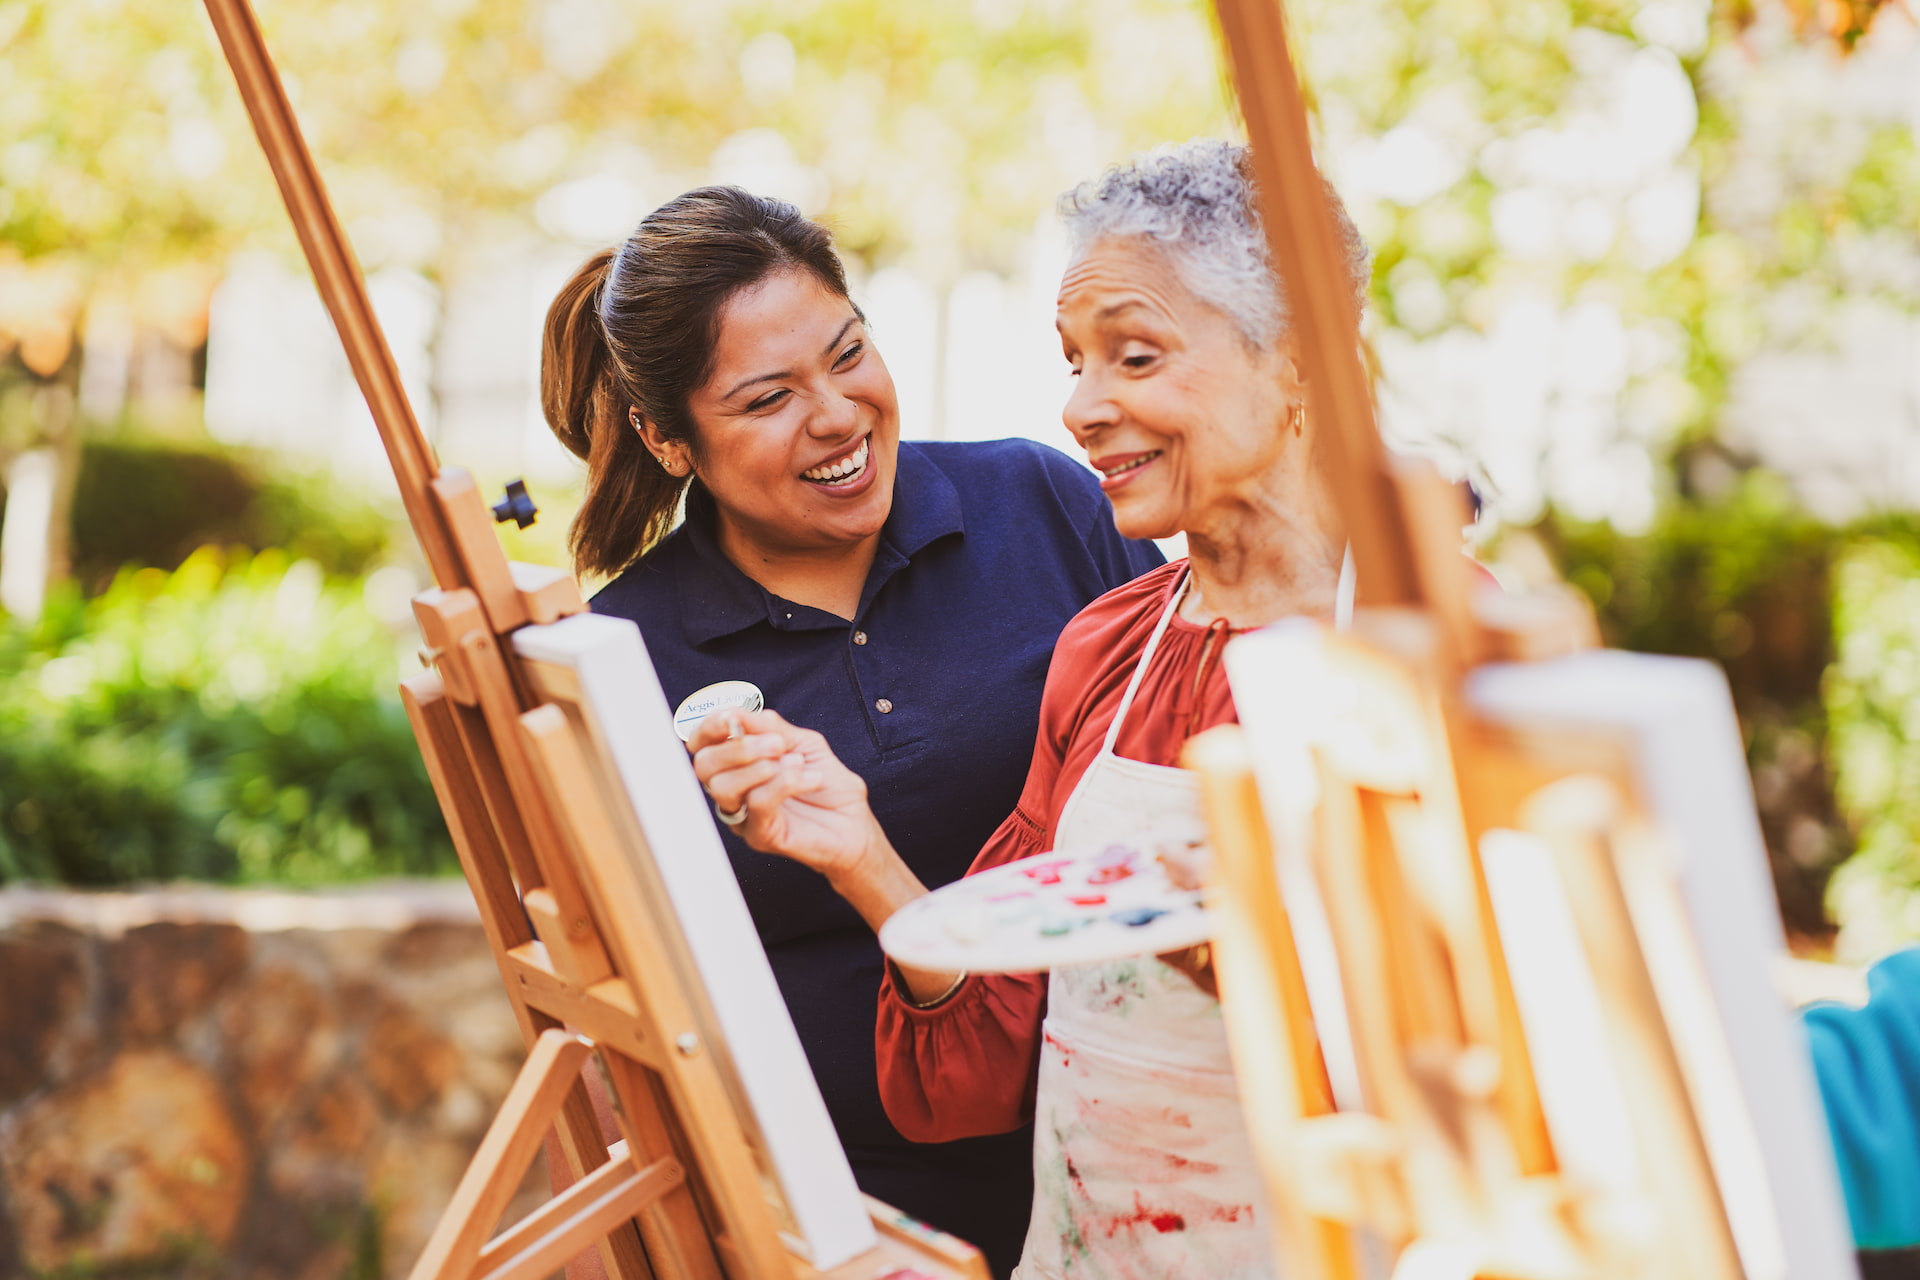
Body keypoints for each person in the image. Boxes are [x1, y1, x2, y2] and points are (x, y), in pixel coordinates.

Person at [688, 140, 1374, 1278]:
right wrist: (860, 852)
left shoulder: (1412, 649)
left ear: (1296, 361)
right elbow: (986, 1058)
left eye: (1135, 356)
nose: (1082, 407)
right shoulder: (1109, 648)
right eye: (1074, 363)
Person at [539, 185, 1163, 1277]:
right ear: (667, 437)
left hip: (1119, 1146)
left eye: (849, 353)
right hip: (839, 1214)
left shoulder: (1040, 502)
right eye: (768, 397)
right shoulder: (624, 653)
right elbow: (616, 1010)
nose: (836, 414)